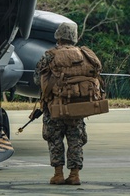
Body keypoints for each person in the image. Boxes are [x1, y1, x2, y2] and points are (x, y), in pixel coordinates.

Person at [32, 21, 99, 186]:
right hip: (78, 106)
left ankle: (58, 174)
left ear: (58, 36)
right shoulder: (85, 54)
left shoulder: (50, 55)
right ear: (74, 37)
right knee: (75, 139)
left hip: (55, 106)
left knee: (55, 139)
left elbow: (36, 79)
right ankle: (75, 175)